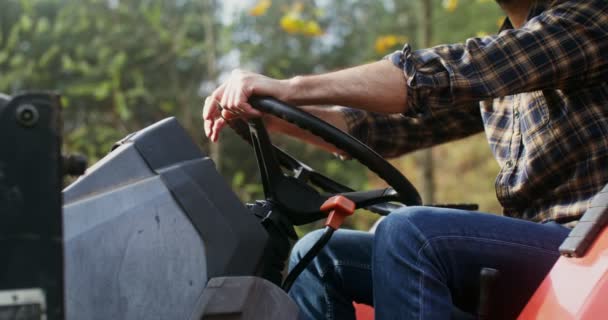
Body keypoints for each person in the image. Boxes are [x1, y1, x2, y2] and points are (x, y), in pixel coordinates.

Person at [202, 0, 607, 318]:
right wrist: (275, 118)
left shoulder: (589, 18)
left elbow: (439, 75)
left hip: (590, 252)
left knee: (412, 234)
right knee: (320, 254)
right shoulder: (509, 64)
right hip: (540, 251)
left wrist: (290, 88)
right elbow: (384, 129)